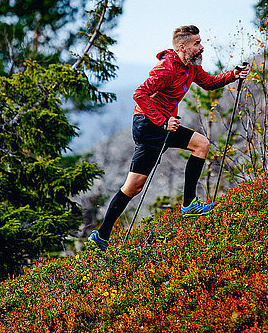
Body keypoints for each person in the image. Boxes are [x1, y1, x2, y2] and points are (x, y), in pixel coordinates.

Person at [88, 25, 249, 251]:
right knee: (134, 186)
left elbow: (209, 82)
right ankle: (102, 236)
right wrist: (162, 121)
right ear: (183, 47)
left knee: (201, 144)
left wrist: (232, 75)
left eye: (200, 42)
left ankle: (189, 205)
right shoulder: (166, 68)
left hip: (165, 125)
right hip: (148, 126)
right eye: (197, 44)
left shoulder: (191, 67)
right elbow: (139, 95)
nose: (202, 47)